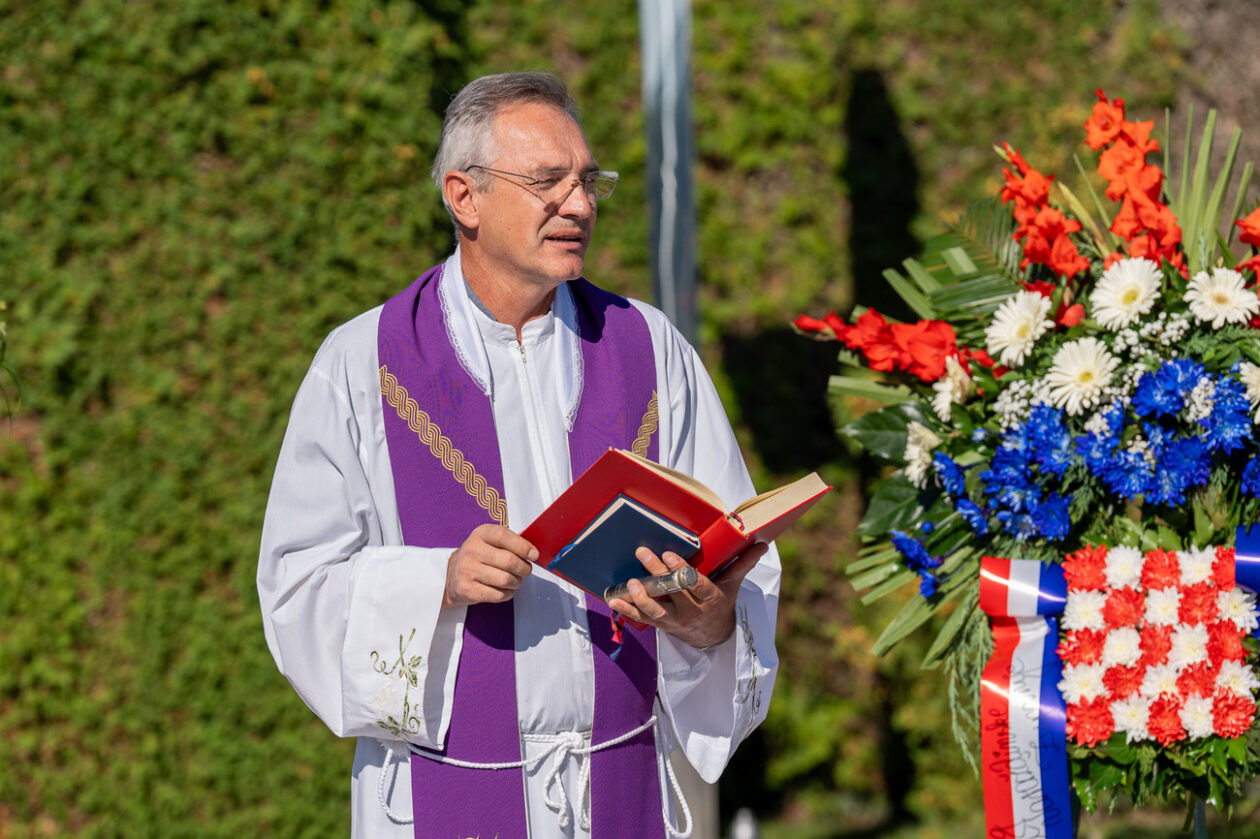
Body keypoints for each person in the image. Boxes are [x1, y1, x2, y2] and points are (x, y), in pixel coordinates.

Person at [257, 71, 780, 839]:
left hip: (620, 785)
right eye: (548, 182)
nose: (580, 204)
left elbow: (737, 549)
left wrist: (709, 623)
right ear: (463, 196)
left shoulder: (650, 348)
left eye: (587, 180)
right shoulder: (361, 363)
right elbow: (297, 586)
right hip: (449, 796)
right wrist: (436, 579)